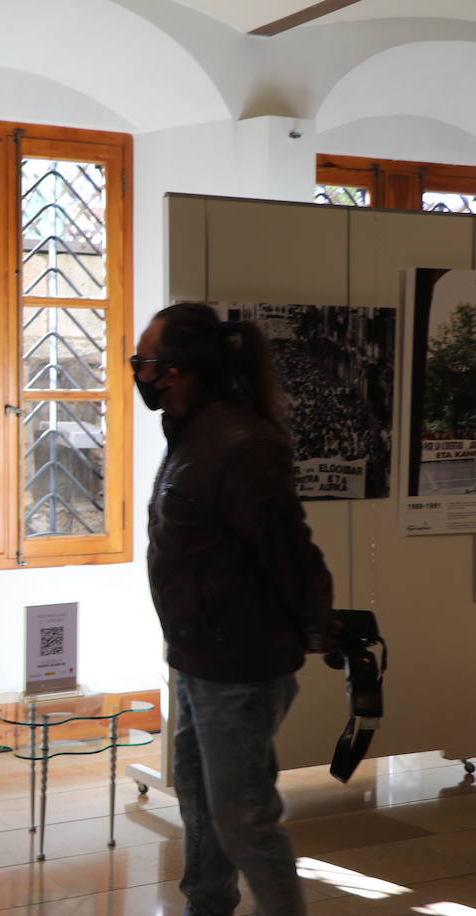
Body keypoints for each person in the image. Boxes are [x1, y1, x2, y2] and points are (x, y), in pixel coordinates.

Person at [134, 302, 333, 916]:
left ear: (178, 372)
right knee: (198, 799)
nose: (138, 373)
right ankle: (206, 907)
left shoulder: (240, 442)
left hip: (238, 665)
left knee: (243, 819)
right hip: (199, 656)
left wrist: (318, 626)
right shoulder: (195, 434)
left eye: (144, 362)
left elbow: (287, 547)